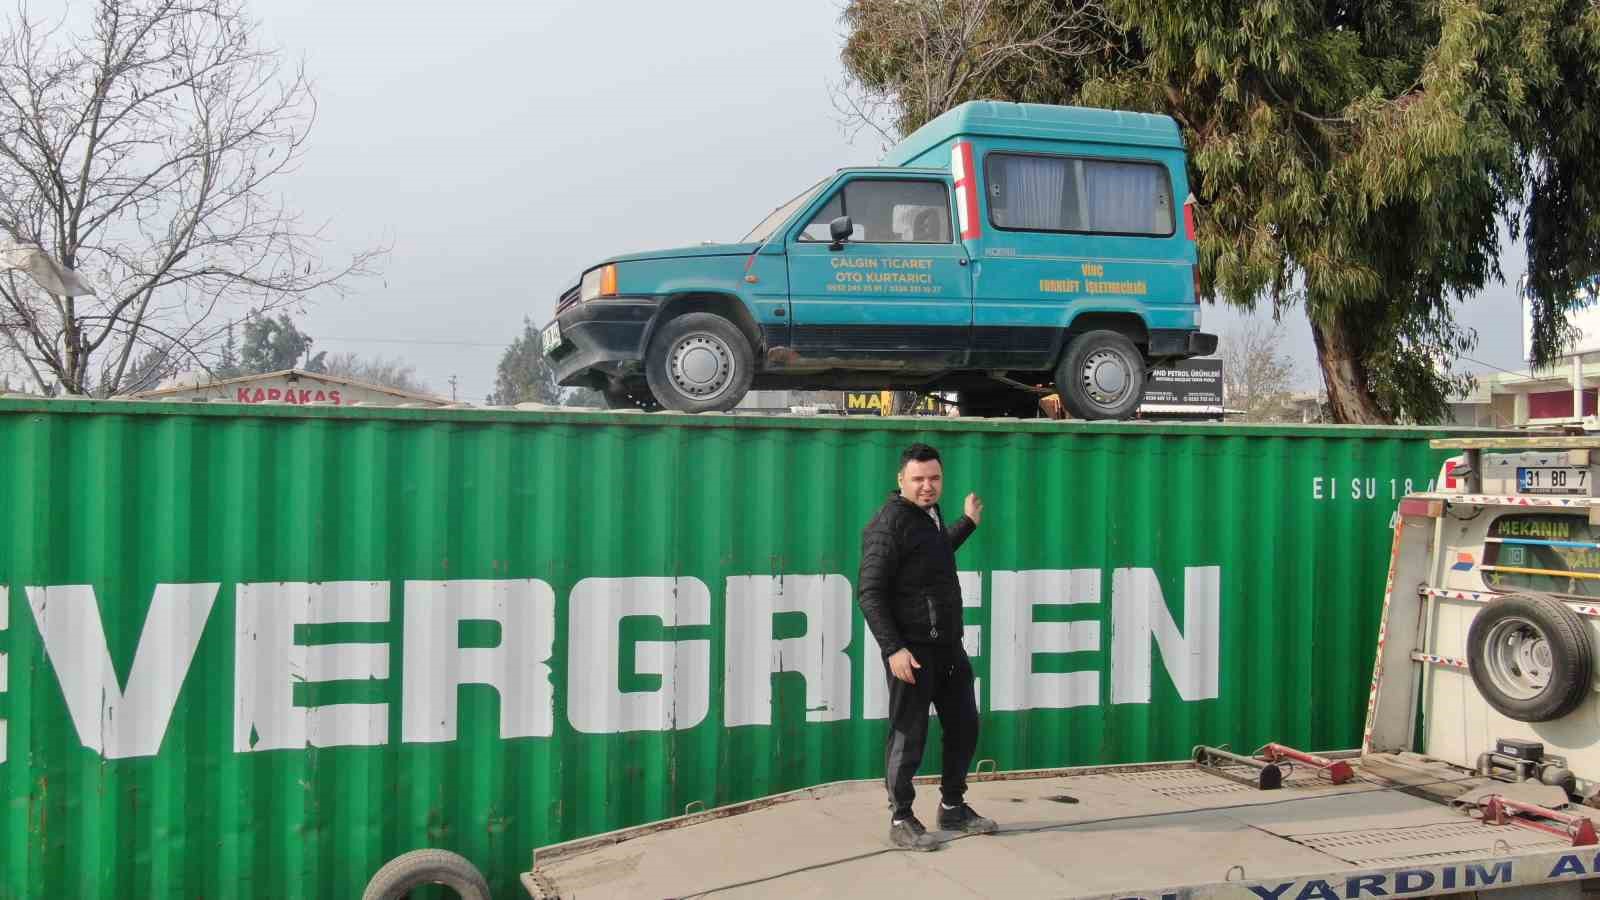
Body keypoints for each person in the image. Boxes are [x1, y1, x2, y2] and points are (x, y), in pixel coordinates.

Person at [858, 442, 997, 851]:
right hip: (912, 653)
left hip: (948, 649)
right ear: (901, 479)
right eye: (918, 479)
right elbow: (869, 592)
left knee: (964, 726)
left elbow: (933, 554)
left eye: (934, 478)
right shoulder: (889, 525)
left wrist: (967, 523)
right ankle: (901, 818)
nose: (927, 486)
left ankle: (953, 806)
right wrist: (893, 649)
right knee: (909, 735)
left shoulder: (928, 517)